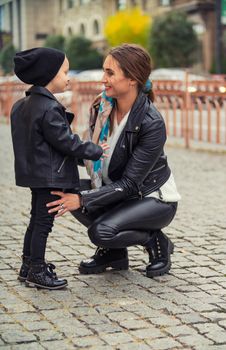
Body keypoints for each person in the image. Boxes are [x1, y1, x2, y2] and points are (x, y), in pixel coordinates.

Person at [47, 43, 181, 278]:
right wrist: (55, 148)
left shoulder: (151, 123)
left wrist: (82, 198)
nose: (103, 79)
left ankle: (155, 240)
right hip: (117, 191)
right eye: (104, 71)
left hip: (152, 199)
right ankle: (115, 254)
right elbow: (94, 154)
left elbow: (130, 184)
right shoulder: (103, 107)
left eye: (110, 73)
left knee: (100, 230)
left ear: (132, 79)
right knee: (65, 188)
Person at [10, 47, 109, 290]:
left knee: (36, 220)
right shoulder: (49, 108)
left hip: (35, 174)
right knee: (43, 224)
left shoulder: (21, 106)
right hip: (50, 176)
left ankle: (28, 265)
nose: (68, 77)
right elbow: (66, 141)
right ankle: (37, 270)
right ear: (49, 74)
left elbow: (46, 143)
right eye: (64, 72)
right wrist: (95, 150)